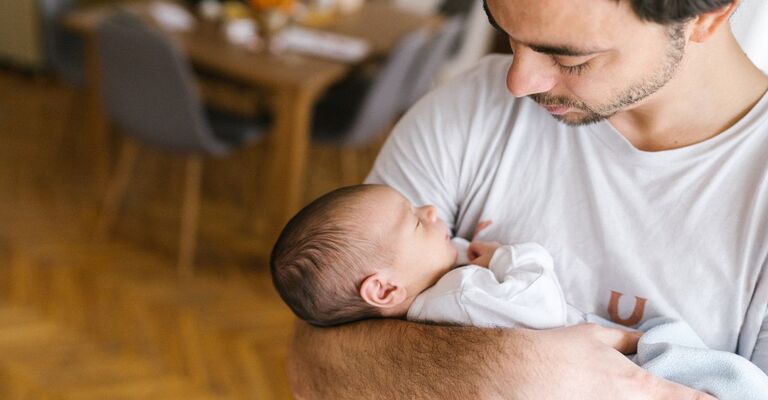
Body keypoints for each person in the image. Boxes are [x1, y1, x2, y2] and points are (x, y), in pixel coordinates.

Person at [287, 0, 768, 398]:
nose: (518, 83)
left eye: (570, 59)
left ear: (709, 14)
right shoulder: (470, 105)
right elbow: (314, 358)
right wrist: (516, 368)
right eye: (509, 35)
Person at [272, 184, 768, 399]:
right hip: (628, 367)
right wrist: (512, 256)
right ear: (382, 288)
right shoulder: (462, 292)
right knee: (703, 367)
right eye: (413, 221)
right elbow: (537, 299)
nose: (428, 210)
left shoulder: (426, 308)